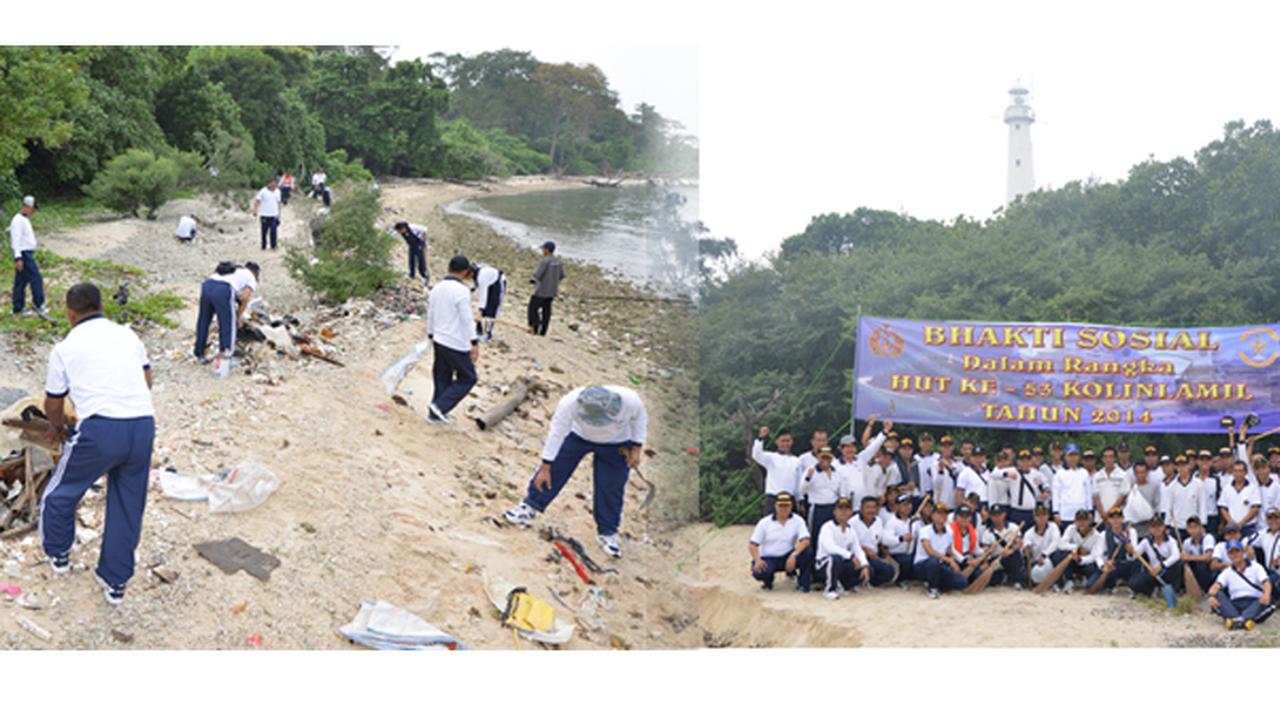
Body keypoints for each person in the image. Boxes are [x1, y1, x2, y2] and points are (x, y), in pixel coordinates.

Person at [39, 283, 155, 605]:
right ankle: (115, 581)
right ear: (102, 307)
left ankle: (59, 554)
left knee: (60, 492)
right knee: (128, 505)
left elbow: (53, 402)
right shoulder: (128, 335)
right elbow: (146, 379)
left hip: (101, 430)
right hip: (143, 425)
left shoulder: (65, 348)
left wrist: (57, 428)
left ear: (70, 313)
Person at [503, 384, 646, 559]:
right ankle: (529, 507)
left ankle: (608, 533)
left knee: (611, 486)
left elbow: (640, 420)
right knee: (555, 470)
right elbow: (557, 432)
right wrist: (546, 465)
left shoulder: (630, 400)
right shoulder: (570, 402)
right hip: (578, 436)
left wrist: (637, 447)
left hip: (617, 443)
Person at [424, 255, 479, 424]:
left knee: (442, 376)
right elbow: (467, 319)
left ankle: (435, 414)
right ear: (465, 272)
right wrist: (474, 342)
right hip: (455, 341)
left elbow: (431, 313)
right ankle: (440, 406)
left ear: (449, 268)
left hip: (439, 338)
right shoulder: (462, 291)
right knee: (468, 377)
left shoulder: (437, 288)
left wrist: (430, 333)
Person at [193, 261, 260, 362]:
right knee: (227, 324)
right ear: (255, 272)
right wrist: (238, 317)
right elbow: (245, 297)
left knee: (204, 321)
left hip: (207, 286)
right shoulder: (251, 276)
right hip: (223, 289)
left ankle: (199, 352)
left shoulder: (236, 270)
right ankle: (226, 355)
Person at [747, 492, 812, 592]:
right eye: (781, 505)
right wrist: (757, 560)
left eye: (786, 505)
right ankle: (768, 582)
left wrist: (794, 555)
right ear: (775, 506)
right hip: (769, 557)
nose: (783, 508)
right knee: (760, 572)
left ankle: (803, 584)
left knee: (808, 552)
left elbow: (806, 540)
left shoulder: (798, 520)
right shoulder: (765, 522)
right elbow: (753, 544)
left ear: (791, 506)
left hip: (787, 555)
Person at [1208, 540, 1274, 630]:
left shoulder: (1256, 567)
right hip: (1235, 604)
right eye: (1231, 552)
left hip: (1254, 601)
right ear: (1228, 555)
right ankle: (1244, 620)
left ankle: (1237, 620)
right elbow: (1216, 586)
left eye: (1237, 551)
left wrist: (1266, 594)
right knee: (1218, 594)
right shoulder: (1227, 572)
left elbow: (1266, 582)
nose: (1235, 555)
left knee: (1268, 600)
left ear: (1243, 552)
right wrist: (1211, 596)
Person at [816, 497, 869, 599]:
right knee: (836, 559)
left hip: (842, 562)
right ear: (835, 511)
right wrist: (850, 556)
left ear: (851, 512)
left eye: (847, 508)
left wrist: (864, 565)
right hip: (824, 563)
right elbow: (829, 547)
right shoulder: (828, 527)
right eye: (840, 508)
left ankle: (844, 585)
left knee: (863, 567)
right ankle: (829, 590)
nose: (843, 511)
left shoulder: (851, 529)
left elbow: (857, 549)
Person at [914, 503, 967, 599]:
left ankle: (936, 583)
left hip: (940, 564)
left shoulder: (949, 531)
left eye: (945, 513)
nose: (942, 516)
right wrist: (949, 560)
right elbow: (930, 551)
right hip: (922, 565)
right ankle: (932, 588)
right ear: (932, 515)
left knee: (961, 582)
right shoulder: (925, 530)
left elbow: (950, 550)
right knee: (933, 561)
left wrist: (959, 560)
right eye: (939, 513)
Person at [751, 426, 803, 516]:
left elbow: (799, 484)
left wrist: (800, 500)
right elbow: (756, 455)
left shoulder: (797, 461)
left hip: (790, 498)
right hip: (773, 499)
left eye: (788, 441)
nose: (785, 444)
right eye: (782, 441)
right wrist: (760, 438)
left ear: (792, 442)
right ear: (777, 442)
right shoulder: (771, 457)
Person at [10, 195, 48, 318]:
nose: (33, 212)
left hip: (26, 253)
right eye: (32, 210)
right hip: (24, 254)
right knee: (36, 278)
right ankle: (38, 304)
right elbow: (16, 240)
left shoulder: (24, 219)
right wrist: (18, 257)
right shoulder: (18, 221)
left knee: (21, 281)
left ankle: (18, 307)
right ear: (26, 207)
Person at [1050, 509, 1105, 593]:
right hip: (1072, 561)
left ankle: (1084, 580)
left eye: (1084, 520)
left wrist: (1080, 559)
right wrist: (1077, 548)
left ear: (1089, 521)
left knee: (1093, 571)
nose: (1081, 523)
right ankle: (1066, 581)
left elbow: (1095, 556)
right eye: (1079, 520)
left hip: (1087, 564)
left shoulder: (1097, 536)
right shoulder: (1071, 529)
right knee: (1057, 555)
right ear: (1075, 521)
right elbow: (1061, 544)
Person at [852, 495, 897, 587]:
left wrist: (887, 555)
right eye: (868, 507)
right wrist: (865, 550)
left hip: (874, 558)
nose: (870, 510)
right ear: (861, 508)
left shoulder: (878, 521)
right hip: (857, 558)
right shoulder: (852, 522)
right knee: (870, 570)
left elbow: (881, 541)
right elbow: (849, 544)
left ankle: (870, 582)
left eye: (873, 507)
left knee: (889, 571)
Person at [1131, 517, 1181, 597]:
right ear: (1150, 529)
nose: (1157, 529)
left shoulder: (1171, 541)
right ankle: (1152, 591)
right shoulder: (1146, 542)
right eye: (1154, 527)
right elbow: (1134, 555)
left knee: (1178, 565)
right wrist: (1130, 548)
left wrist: (1162, 566)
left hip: (1167, 571)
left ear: (1163, 527)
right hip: (1153, 572)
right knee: (1135, 583)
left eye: (1159, 526)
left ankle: (1175, 591)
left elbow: (1176, 555)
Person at [981, 504, 1026, 588]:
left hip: (1010, 557)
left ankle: (1017, 581)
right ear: (990, 516)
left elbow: (1019, 543)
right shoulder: (987, 533)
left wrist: (1011, 550)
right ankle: (1003, 577)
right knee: (993, 580)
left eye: (999, 514)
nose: (997, 517)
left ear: (1004, 515)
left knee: (1015, 555)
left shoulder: (1012, 527)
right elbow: (985, 549)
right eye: (994, 515)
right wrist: (989, 552)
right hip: (997, 560)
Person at [882, 491, 921, 587]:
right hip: (897, 554)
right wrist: (901, 538)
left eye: (909, 504)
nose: (908, 507)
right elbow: (885, 540)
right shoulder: (892, 522)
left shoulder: (915, 521)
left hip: (911, 553)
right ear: (897, 507)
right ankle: (900, 580)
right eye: (904, 505)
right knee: (906, 560)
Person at [1162, 454, 1207, 533]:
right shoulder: (1172, 486)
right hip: (1177, 526)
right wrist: (1167, 525)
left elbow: (1202, 505)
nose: (1182, 468)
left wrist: (1203, 524)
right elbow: (1169, 507)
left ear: (1189, 466)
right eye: (1179, 466)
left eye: (1184, 465)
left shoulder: (1198, 484)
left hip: (1193, 525)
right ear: (1176, 467)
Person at [527, 241, 565, 336]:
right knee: (546, 311)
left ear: (547, 250)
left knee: (532, 309)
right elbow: (562, 275)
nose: (543, 251)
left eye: (543, 249)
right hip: (552, 291)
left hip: (541, 291)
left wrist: (532, 280)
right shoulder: (558, 261)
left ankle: (535, 327)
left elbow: (538, 275)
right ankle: (543, 331)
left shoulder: (545, 261)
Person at [1052, 445, 1093, 525]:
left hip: (1082, 513)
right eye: (1070, 455)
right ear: (1065, 457)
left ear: (1079, 457)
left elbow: (1088, 493)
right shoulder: (1059, 473)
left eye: (1075, 455)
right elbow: (1056, 494)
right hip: (1065, 515)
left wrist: (1090, 510)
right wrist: (1056, 512)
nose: (1073, 458)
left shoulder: (1084, 473)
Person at [1219, 460, 1262, 536]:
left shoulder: (1253, 488)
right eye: (1235, 471)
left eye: (1240, 471)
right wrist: (1231, 523)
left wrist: (1241, 523)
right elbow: (1223, 508)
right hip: (1231, 528)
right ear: (1232, 472)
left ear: (1246, 472)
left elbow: (1255, 508)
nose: (1238, 474)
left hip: (1248, 527)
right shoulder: (1227, 488)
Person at [1023, 504, 1062, 586]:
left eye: (1043, 515)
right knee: (1025, 576)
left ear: (1047, 516)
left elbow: (1055, 543)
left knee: (1058, 555)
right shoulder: (1029, 533)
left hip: (1050, 557)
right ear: (1034, 518)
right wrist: (1027, 549)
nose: (1041, 518)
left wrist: (1044, 555)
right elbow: (1026, 546)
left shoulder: (1053, 527)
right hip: (1036, 562)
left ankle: (1057, 582)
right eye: (1038, 516)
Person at [1180, 516, 1216, 595]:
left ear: (1201, 528)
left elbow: (1207, 557)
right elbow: (1184, 557)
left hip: (1207, 567)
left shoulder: (1208, 538)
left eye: (1195, 527)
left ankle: (1205, 590)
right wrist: (1183, 556)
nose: (1193, 530)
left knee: (1201, 567)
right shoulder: (1187, 542)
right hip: (1194, 567)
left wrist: (1190, 557)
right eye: (1190, 528)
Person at [1093, 446, 1130, 520]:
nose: (1108, 459)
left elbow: (1122, 497)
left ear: (1115, 458)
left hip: (1117, 518)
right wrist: (1103, 514)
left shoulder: (1123, 475)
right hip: (1100, 518)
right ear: (1102, 459)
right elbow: (1096, 497)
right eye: (1105, 457)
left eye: (1111, 456)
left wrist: (1110, 513)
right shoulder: (1097, 476)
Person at [473, 262, 506, 342]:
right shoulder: (475, 273)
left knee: (492, 308)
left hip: (498, 282)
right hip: (489, 282)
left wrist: (480, 311)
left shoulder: (482, 277)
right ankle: (478, 330)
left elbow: (483, 296)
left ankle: (487, 334)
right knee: (485, 309)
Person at [1250, 508, 1280, 586]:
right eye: (1270, 518)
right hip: (1271, 572)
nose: (1273, 521)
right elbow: (1247, 541)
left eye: (1276, 518)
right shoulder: (1263, 533)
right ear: (1266, 520)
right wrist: (1248, 548)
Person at [252, 178, 282, 251]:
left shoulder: (278, 191)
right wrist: (255, 210)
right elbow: (257, 201)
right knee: (264, 231)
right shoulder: (263, 191)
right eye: (272, 184)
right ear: (269, 184)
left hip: (274, 215)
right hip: (264, 214)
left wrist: (279, 214)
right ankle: (263, 245)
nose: (274, 186)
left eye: (275, 184)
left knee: (273, 231)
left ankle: (273, 246)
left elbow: (279, 203)